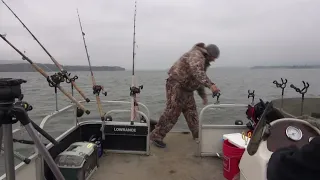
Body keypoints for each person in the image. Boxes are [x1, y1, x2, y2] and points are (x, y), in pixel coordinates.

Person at [150, 42, 220, 148]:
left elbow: (198, 79)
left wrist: (203, 96)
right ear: (208, 53)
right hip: (176, 84)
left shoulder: (203, 60)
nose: (214, 60)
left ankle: (197, 136)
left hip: (187, 90)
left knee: (192, 114)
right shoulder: (197, 55)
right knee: (172, 113)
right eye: (213, 57)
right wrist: (211, 85)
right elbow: (197, 71)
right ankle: (156, 136)